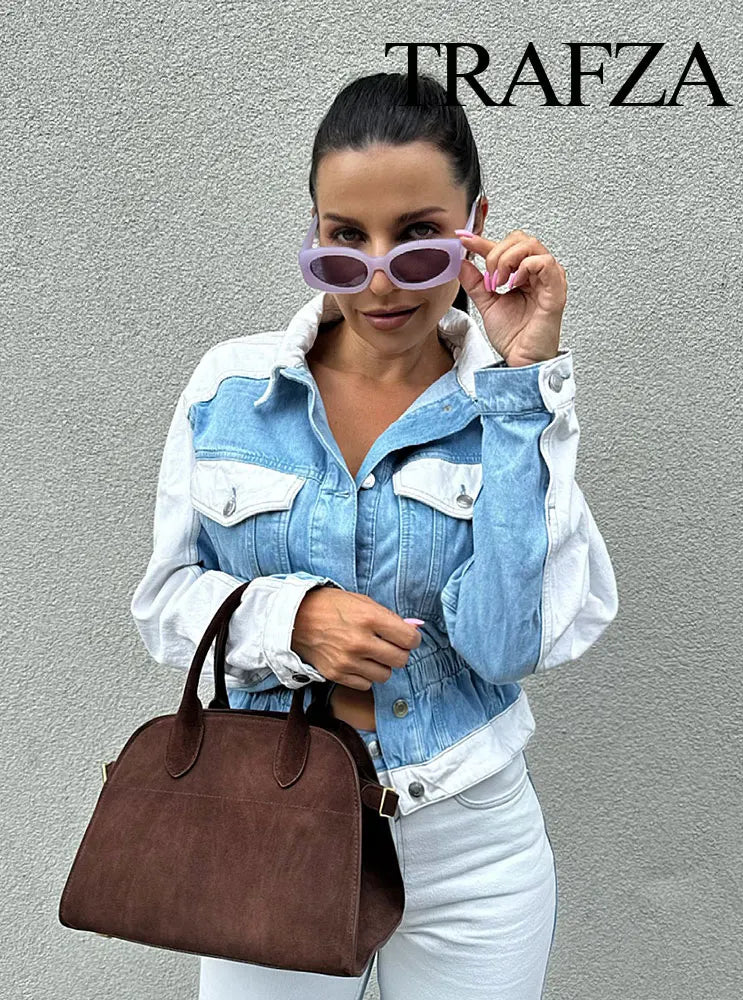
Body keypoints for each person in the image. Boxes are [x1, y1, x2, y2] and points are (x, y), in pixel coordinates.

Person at [130, 70, 619, 1000]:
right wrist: (291, 619)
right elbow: (163, 606)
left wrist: (522, 391)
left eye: (422, 239)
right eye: (344, 244)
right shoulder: (230, 391)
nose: (382, 278)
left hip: (470, 844)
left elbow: (502, 645)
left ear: (478, 220)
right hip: (269, 824)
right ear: (311, 235)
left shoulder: (511, 401)